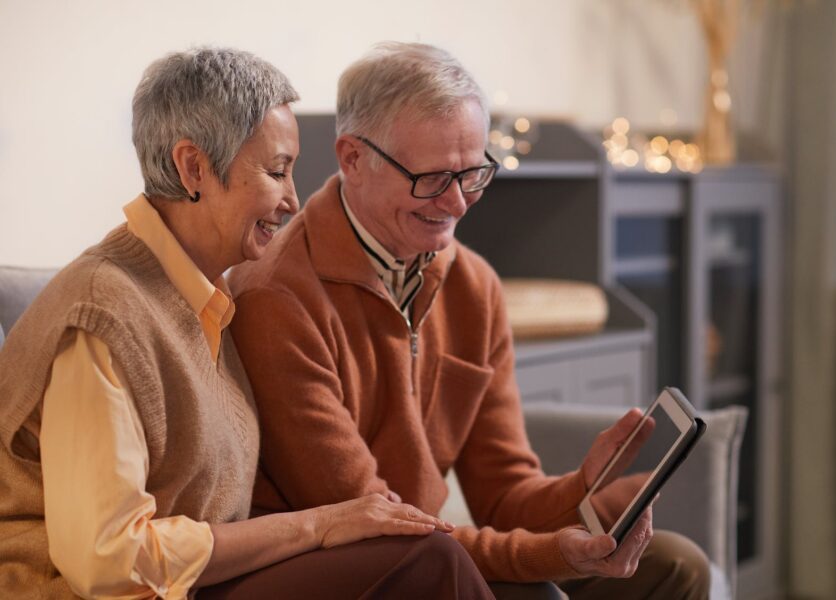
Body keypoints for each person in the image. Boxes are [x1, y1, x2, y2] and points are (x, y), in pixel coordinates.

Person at [0, 47, 493, 600]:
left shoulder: (203, 298)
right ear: (194, 169)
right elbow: (106, 561)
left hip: (195, 585)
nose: (292, 199)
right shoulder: (102, 315)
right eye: (277, 171)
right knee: (425, 561)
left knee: (432, 562)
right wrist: (317, 526)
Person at [228, 41, 711, 599]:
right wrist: (554, 553)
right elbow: (381, 528)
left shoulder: (474, 285)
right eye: (433, 179)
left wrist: (587, 488)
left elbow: (503, 496)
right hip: (351, 569)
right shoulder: (278, 299)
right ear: (352, 158)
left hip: (430, 552)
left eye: (474, 174)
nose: (458, 204)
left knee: (677, 567)